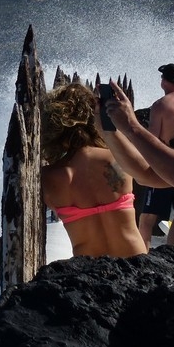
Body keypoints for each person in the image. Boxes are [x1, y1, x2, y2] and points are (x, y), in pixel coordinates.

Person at [41, 83, 147, 257]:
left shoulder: (49, 176)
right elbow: (146, 170)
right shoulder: (116, 159)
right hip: (136, 262)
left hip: (90, 270)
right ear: (94, 118)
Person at [101, 80, 174, 252]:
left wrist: (132, 126)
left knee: (147, 219)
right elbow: (145, 174)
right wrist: (110, 131)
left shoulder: (161, 105)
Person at [137, 64, 174, 248]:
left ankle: (143, 259)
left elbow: (151, 142)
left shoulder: (160, 105)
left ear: (163, 81)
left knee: (146, 221)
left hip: (165, 168)